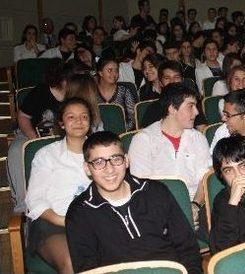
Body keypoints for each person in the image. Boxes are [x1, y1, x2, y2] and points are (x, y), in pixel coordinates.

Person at [65, 131, 202, 273]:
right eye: (99, 162)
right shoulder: (79, 213)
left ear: (126, 161)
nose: (110, 169)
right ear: (87, 168)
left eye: (116, 159)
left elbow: (187, 247)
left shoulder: (155, 192)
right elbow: (87, 269)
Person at [24, 98, 94, 274]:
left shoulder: (101, 152)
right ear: (61, 123)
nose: (79, 121)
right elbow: (34, 199)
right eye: (72, 117)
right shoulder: (47, 155)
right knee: (72, 262)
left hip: (96, 221)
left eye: (84, 116)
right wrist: (62, 220)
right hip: (54, 224)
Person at [129, 83, 211, 226]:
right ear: (172, 108)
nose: (197, 112)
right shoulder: (143, 140)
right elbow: (141, 189)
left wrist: (195, 206)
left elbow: (205, 178)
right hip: (157, 211)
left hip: (195, 205)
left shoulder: (198, 138)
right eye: (190, 106)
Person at [7, 62, 72, 213]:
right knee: (17, 151)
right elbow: (23, 117)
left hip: (61, 136)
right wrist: (33, 138)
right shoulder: (40, 91)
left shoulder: (73, 94)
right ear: (63, 79)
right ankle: (23, 206)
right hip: (30, 132)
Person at [140, 61, 208, 131]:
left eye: (176, 77)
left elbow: (202, 129)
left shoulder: (191, 104)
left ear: (182, 80)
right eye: (167, 78)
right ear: (160, 83)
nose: (172, 81)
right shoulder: (154, 108)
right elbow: (144, 135)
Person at [95, 57, 137, 130]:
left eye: (116, 70)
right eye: (110, 70)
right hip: (98, 135)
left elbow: (133, 117)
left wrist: (122, 129)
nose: (114, 74)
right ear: (100, 73)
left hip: (122, 133)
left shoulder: (124, 91)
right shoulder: (93, 92)